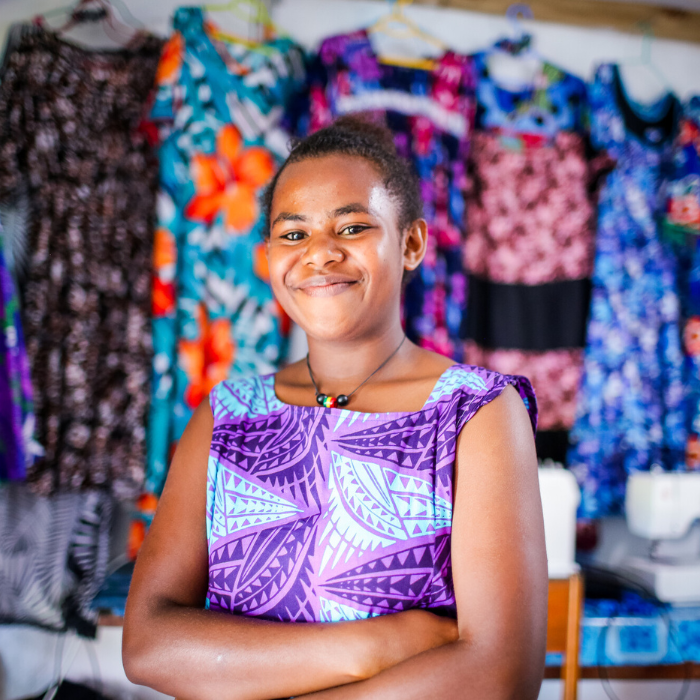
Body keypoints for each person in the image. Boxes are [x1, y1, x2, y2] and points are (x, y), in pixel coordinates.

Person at [123, 116, 548, 700]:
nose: (319, 254)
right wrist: (377, 644)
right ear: (268, 254)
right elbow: (149, 644)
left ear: (412, 243)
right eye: (293, 235)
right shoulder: (227, 417)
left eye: (351, 227)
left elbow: (501, 676)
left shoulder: (476, 413)